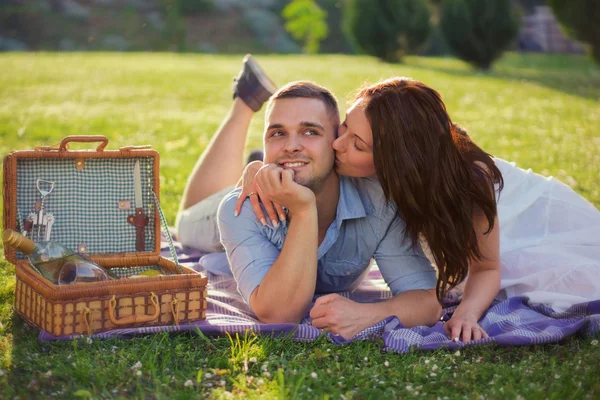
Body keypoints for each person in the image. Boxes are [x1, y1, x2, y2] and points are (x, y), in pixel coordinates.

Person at [242, 76, 600, 343]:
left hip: (534, 226)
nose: (337, 144)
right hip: (475, 246)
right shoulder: (367, 168)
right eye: (344, 129)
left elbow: (488, 266)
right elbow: (304, 160)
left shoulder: (469, 184)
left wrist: (467, 314)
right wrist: (255, 169)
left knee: (562, 283)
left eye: (357, 144)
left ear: (393, 160)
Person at [176, 56, 441, 339]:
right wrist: (304, 209)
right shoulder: (240, 208)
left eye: (310, 132)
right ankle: (245, 101)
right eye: (278, 133)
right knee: (184, 225)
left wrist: (366, 314)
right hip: (229, 218)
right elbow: (278, 314)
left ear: (336, 142)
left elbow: (426, 300)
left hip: (284, 177)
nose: (291, 146)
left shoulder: (379, 204)